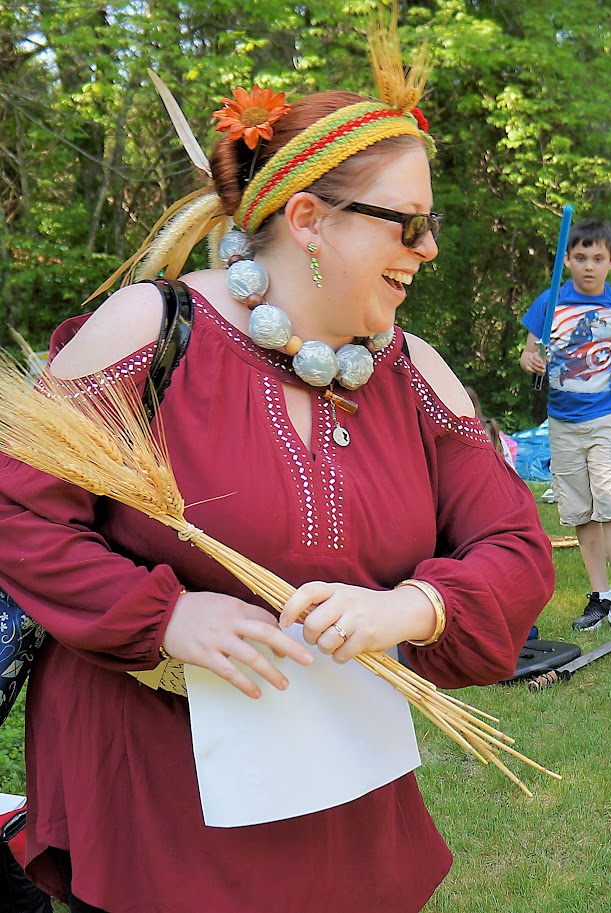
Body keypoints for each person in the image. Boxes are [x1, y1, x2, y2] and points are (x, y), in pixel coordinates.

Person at [0, 21, 555, 913]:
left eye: (432, 222)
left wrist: (405, 608)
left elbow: (518, 548)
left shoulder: (413, 372)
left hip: (342, 806)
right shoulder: (151, 331)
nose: (430, 247)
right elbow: (17, 513)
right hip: (159, 804)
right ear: (308, 221)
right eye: (408, 223)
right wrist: (165, 616)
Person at [518, 218, 611, 638]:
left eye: (598, 258)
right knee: (580, 510)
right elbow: (529, 354)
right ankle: (599, 597)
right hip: (562, 422)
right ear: (567, 259)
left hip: (609, 416)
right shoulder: (549, 303)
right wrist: (530, 361)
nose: (588, 266)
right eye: (580, 257)